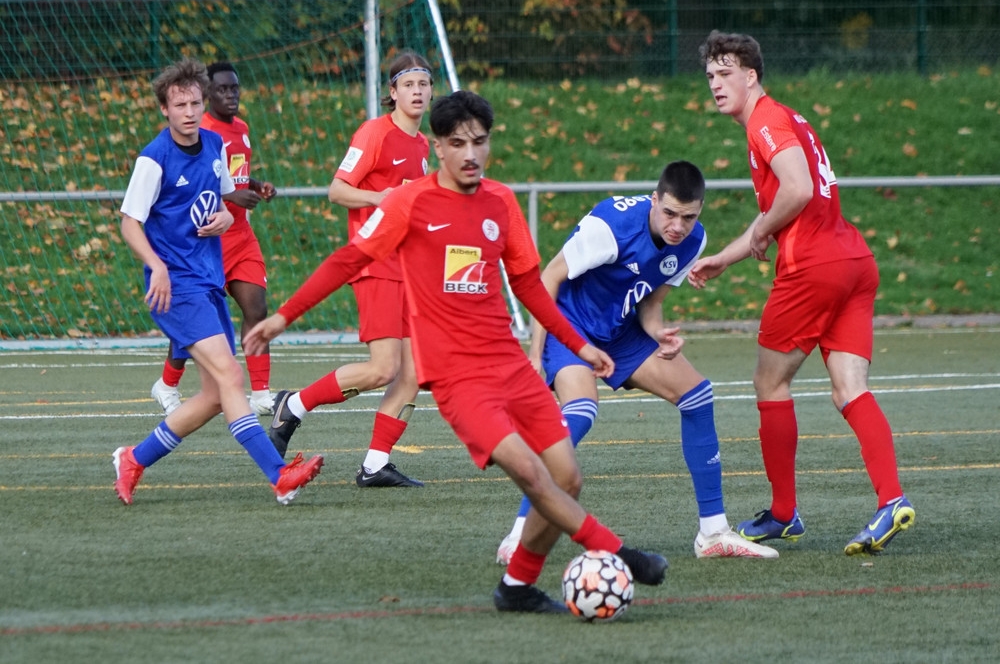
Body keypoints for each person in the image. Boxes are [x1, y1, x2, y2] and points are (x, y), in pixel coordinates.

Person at [244, 90, 668, 613]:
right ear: (437, 147)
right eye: (458, 143)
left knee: (567, 477)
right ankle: (622, 554)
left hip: (509, 365)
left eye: (479, 142)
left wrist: (579, 343)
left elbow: (529, 285)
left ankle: (516, 587)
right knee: (532, 475)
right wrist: (283, 316)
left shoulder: (501, 201)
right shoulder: (409, 202)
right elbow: (348, 260)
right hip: (458, 380)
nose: (471, 154)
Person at [689, 31, 915, 555]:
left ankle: (784, 513)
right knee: (850, 388)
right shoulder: (788, 117)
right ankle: (891, 500)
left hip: (812, 269)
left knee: (769, 382)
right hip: (852, 261)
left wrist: (765, 230)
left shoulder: (765, 121)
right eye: (710, 76)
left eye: (725, 74)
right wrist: (726, 256)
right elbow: (788, 203)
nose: (716, 84)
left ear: (751, 76)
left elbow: (797, 190)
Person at [495, 161, 778, 565]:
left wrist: (659, 334)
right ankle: (519, 533)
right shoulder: (610, 226)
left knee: (698, 396)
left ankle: (714, 533)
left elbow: (650, 302)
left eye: (688, 217)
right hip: (569, 324)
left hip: (620, 330)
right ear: (654, 200)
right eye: (670, 213)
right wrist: (536, 356)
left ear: (699, 211)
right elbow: (548, 279)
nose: (678, 226)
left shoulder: (693, 240)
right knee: (581, 412)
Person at [115, 58, 324, 506]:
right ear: (165, 110)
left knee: (213, 396)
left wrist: (228, 216)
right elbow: (130, 222)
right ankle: (279, 475)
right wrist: (156, 265)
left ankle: (134, 458)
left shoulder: (213, 144)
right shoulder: (153, 159)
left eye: (195, 103)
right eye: (180, 105)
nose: (189, 112)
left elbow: (227, 199)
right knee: (231, 375)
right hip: (175, 288)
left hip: (208, 281)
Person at [267, 51, 431, 488]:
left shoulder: (422, 145)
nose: (417, 92)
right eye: (408, 85)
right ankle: (293, 405)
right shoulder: (375, 132)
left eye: (423, 84)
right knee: (383, 369)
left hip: (407, 269)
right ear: (392, 92)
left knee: (413, 373)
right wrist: (381, 199)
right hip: (375, 263)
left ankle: (375, 465)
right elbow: (337, 190)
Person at [150, 60, 278, 417]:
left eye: (234, 88)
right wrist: (234, 196)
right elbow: (198, 185)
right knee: (199, 323)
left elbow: (232, 174)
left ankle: (262, 393)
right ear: (208, 95)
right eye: (222, 89)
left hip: (241, 236)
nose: (230, 95)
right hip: (207, 243)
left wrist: (255, 185)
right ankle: (167, 383)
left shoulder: (241, 129)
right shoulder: (200, 130)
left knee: (257, 308)